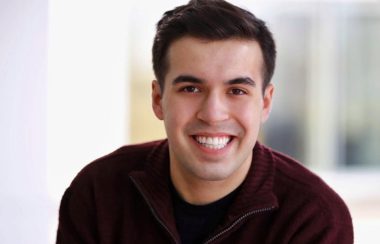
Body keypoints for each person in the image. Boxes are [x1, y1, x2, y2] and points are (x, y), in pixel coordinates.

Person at [56, 0, 353, 243]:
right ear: (158, 100)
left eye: (237, 91)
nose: (213, 114)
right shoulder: (98, 191)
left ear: (265, 102)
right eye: (191, 89)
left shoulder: (314, 218)